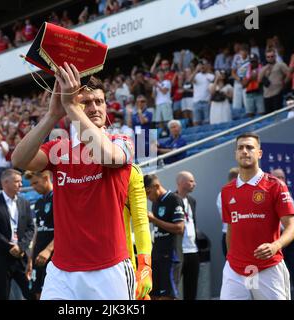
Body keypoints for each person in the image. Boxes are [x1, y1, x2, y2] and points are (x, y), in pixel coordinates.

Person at [11, 65, 135, 300]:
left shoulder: (122, 141)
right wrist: (52, 116)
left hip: (108, 268)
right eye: (86, 102)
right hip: (62, 271)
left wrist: (71, 106)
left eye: (99, 101)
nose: (94, 107)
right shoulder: (60, 150)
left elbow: (106, 156)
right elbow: (19, 160)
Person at [220, 133, 294, 300]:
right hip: (235, 269)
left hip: (267, 267)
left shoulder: (275, 185)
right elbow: (230, 228)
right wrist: (229, 258)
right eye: (240, 148)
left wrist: (275, 246)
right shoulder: (226, 191)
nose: (245, 151)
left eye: (250, 147)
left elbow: (292, 227)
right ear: (235, 153)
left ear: (259, 153)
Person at [0, 169, 35, 300]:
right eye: (17, 181)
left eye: (20, 181)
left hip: (20, 256)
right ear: (5, 183)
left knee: (31, 294)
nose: (21, 185)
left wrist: (21, 246)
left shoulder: (24, 202)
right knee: (1, 295)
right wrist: (9, 247)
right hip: (1, 258)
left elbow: (30, 228)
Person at [144, 174, 185, 300]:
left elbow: (179, 228)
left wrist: (154, 220)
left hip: (170, 255)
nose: (147, 197)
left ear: (156, 186)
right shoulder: (155, 203)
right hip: (157, 254)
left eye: (148, 192)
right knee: (153, 295)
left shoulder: (174, 199)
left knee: (168, 296)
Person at [271, 168, 294, 300]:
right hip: (274, 242)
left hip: (292, 243)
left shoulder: (288, 197)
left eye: (282, 177)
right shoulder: (266, 196)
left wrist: (292, 232)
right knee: (276, 280)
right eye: (277, 177)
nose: (280, 180)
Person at [123, 164, 152, 300]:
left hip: (121, 265)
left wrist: (145, 266)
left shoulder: (129, 171)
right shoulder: (70, 167)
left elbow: (140, 222)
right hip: (76, 264)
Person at [25, 170, 54, 300]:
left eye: (36, 183)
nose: (34, 187)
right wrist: (30, 258)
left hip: (54, 255)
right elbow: (38, 230)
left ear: (46, 177)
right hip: (39, 255)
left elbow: (65, 229)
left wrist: (48, 250)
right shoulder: (38, 202)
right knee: (37, 292)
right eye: (32, 184)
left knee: (51, 292)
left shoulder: (58, 198)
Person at [176, 171, 200, 300]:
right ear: (180, 182)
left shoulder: (192, 200)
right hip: (178, 252)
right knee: (171, 289)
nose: (194, 184)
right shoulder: (171, 199)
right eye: (191, 181)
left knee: (191, 290)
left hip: (193, 251)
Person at [216, 167, 239, 258]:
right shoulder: (223, 194)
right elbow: (226, 217)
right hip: (230, 236)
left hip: (245, 236)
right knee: (232, 268)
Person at [259, 48, 289, 114]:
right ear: (266, 58)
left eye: (272, 56)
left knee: (278, 115)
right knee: (268, 116)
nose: (270, 58)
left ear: (275, 56)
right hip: (266, 95)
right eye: (268, 57)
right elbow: (259, 80)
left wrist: (284, 83)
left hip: (277, 93)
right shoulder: (264, 68)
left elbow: (289, 74)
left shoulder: (280, 65)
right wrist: (265, 70)